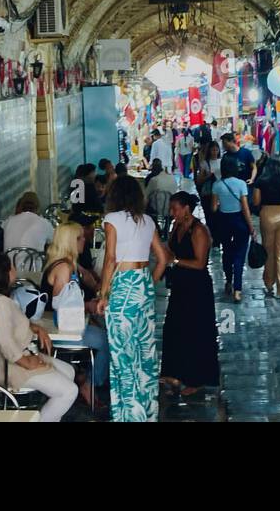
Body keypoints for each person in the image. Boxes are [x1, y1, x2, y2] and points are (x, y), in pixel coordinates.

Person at [98, 175, 170, 421]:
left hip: (122, 286)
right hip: (143, 285)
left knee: (122, 353)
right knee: (145, 351)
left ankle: (128, 415)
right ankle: (147, 413)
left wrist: (103, 293)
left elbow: (110, 259)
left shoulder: (112, 219)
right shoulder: (148, 221)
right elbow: (162, 258)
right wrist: (149, 281)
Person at [0, 253, 82, 421]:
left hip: (12, 359)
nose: (15, 269)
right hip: (10, 367)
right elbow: (5, 342)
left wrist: (36, 328)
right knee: (69, 391)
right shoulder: (1, 305)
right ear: (4, 273)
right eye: (11, 267)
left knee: (69, 372)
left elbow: (10, 325)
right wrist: (27, 362)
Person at [41, 222, 109, 404]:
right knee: (108, 341)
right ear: (71, 241)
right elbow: (64, 307)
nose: (85, 240)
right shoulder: (64, 268)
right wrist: (89, 306)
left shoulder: (67, 264)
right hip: (62, 328)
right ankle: (90, 383)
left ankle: (85, 377)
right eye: (80, 238)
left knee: (104, 332)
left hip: (63, 323)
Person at [160, 191, 219, 396]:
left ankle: (197, 378)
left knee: (195, 332)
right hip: (180, 285)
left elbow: (200, 263)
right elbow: (170, 249)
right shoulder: (176, 226)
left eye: (175, 208)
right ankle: (174, 372)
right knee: (174, 328)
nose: (172, 212)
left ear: (186, 208)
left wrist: (175, 261)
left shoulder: (198, 230)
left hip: (196, 287)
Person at [211, 154, 255, 302]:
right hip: (240, 222)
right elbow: (245, 208)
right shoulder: (241, 184)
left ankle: (228, 282)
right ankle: (238, 290)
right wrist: (251, 227)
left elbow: (213, 208)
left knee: (227, 252)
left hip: (224, 221)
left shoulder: (217, 185)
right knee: (239, 255)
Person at [251, 154, 280, 298]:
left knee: (268, 251)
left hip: (267, 214)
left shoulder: (261, 181)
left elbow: (256, 201)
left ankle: (269, 284)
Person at [195, 140, 223, 246]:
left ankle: (217, 238)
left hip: (220, 193)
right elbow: (199, 180)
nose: (215, 152)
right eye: (213, 150)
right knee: (209, 217)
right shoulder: (204, 164)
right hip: (207, 194)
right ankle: (213, 237)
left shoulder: (222, 161)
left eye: (216, 149)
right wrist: (208, 176)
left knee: (218, 217)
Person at [145, 159, 177, 235]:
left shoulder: (154, 180)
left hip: (156, 209)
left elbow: (146, 196)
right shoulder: (172, 178)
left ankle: (157, 229)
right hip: (170, 209)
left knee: (146, 209)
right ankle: (166, 227)